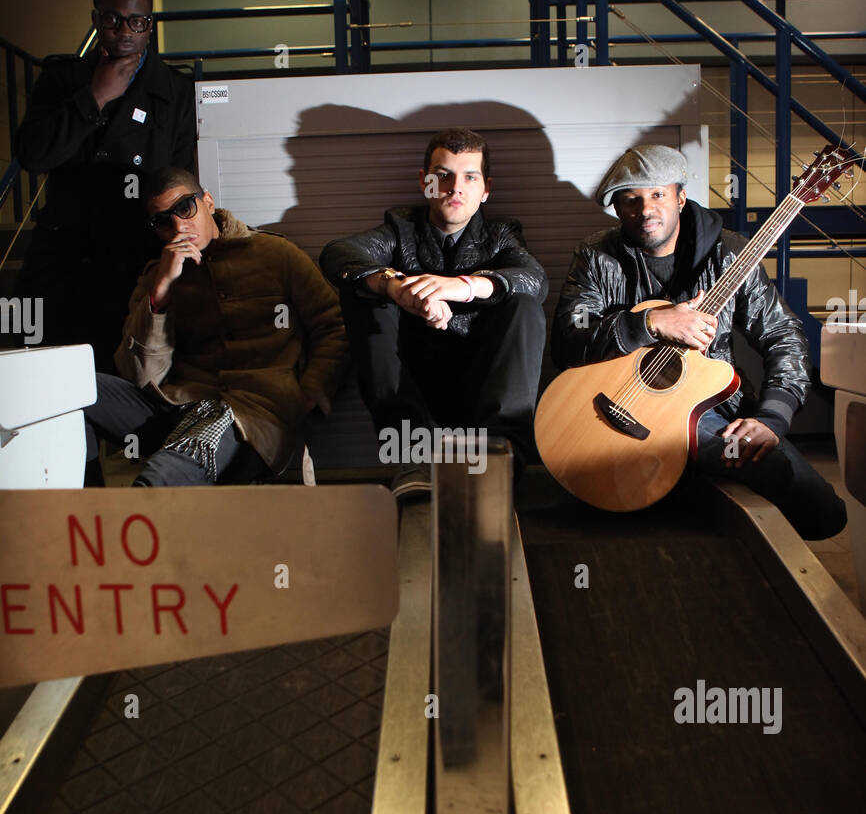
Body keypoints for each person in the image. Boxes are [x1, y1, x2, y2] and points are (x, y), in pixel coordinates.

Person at [550, 144, 846, 540]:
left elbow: (782, 336)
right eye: (631, 199)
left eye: (657, 194)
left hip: (705, 409)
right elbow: (569, 338)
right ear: (618, 209)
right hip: (613, 397)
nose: (645, 209)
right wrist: (650, 323)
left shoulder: (730, 255)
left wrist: (772, 416)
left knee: (819, 506)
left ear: (680, 198)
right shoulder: (596, 256)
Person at [83, 167, 349, 487]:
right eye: (162, 220)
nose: (179, 226)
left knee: (158, 481)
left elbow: (333, 326)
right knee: (68, 390)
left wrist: (308, 394)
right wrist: (161, 293)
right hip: (174, 406)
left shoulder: (276, 254)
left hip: (249, 416)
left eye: (185, 208)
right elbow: (139, 375)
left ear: (207, 201)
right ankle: (83, 506)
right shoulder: (158, 273)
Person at [319, 126, 548, 486]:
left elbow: (535, 279)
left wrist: (461, 287)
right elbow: (337, 255)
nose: (455, 187)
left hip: (481, 386)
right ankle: (415, 462)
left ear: (485, 189)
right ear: (424, 182)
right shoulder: (400, 228)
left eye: (469, 177)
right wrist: (398, 289)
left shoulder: (501, 234)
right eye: (442, 176)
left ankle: (500, 464)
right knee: (364, 294)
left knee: (525, 305)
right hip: (413, 390)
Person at [14, 0, 196, 371]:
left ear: (150, 24)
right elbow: (33, 155)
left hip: (133, 260)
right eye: (114, 20)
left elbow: (179, 179)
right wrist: (94, 97)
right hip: (65, 261)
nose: (126, 32)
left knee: (126, 384)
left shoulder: (175, 90)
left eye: (138, 21)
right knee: (48, 385)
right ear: (97, 19)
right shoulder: (63, 80)